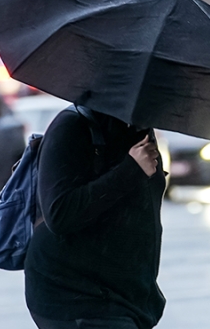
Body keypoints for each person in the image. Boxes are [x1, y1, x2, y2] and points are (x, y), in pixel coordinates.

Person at [24, 105, 166, 329]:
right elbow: (59, 213)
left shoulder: (138, 130)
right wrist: (130, 169)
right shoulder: (71, 126)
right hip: (74, 292)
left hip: (123, 294)